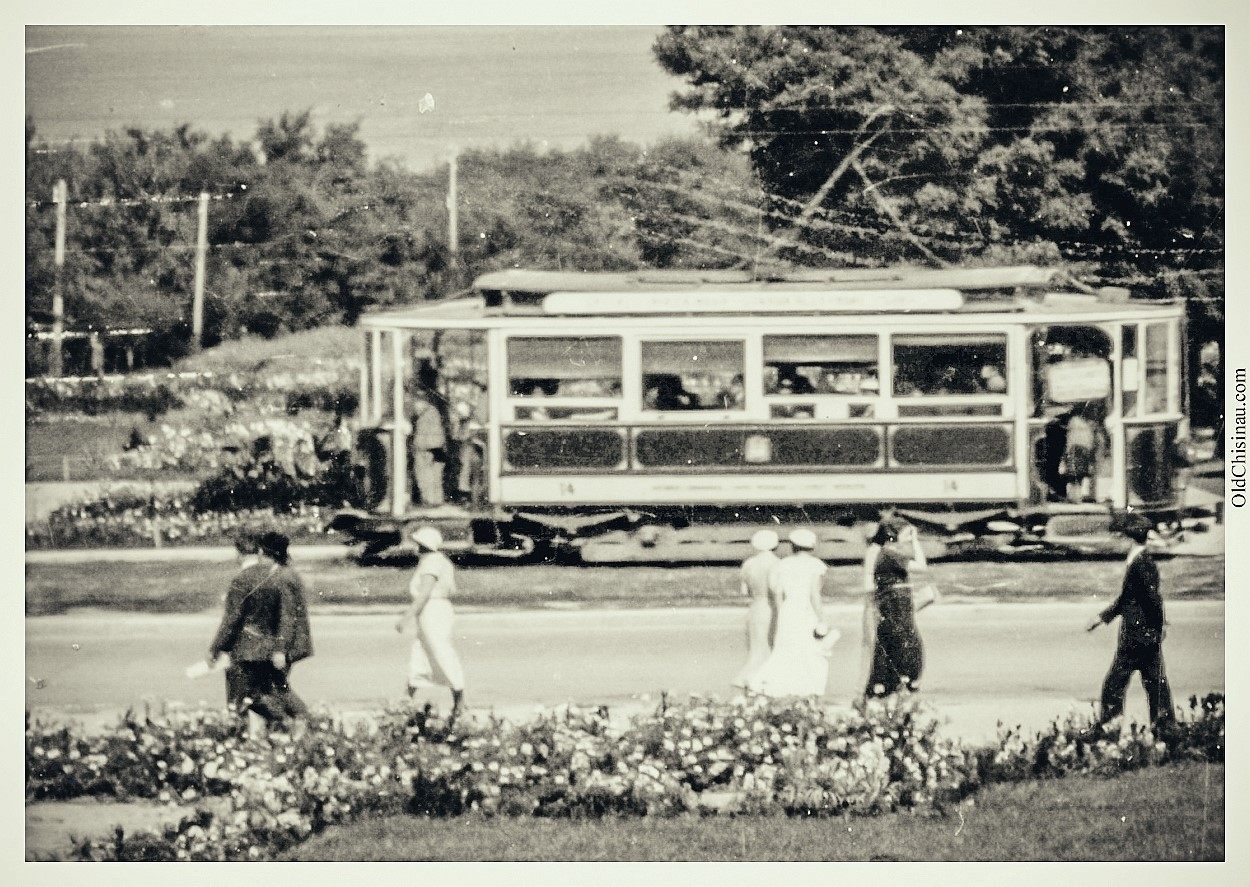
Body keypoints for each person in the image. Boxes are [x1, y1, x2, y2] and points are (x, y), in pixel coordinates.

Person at [207, 531, 313, 738]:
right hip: (273, 647)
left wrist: (216, 648)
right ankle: (279, 726)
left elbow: (234, 619)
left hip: (261, 649)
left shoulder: (261, 578)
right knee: (271, 689)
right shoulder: (276, 574)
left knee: (254, 693)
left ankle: (291, 720)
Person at [1086, 514, 1175, 728]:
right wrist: (1102, 617)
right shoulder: (1138, 560)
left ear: (1129, 539)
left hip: (1137, 636)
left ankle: (1109, 730)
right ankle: (1167, 733)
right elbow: (1130, 598)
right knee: (1156, 685)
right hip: (1144, 634)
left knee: (1114, 686)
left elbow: (1153, 599)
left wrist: (1158, 626)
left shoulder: (1142, 563)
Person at [747, 528, 836, 698]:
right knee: (810, 651)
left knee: (786, 648)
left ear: (793, 546)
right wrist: (822, 618)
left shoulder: (782, 564)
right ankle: (808, 689)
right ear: (812, 547)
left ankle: (774, 686)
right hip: (806, 610)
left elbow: (778, 594)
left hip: (788, 610)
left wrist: (782, 615)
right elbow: (814, 595)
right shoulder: (816, 565)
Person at [396, 526, 466, 723]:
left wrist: (406, 617)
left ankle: (459, 699)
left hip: (433, 611)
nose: (415, 547)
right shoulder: (435, 561)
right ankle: (406, 699)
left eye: (418, 543)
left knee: (440, 651)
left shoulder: (432, 562)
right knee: (421, 652)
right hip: (433, 611)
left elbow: (425, 593)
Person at [864, 518, 928, 697]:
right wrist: (915, 541)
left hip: (897, 616)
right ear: (893, 534)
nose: (910, 537)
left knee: (893, 661)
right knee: (909, 658)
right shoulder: (891, 553)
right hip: (899, 620)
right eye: (907, 533)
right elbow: (922, 567)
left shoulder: (887, 553)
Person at [731, 530, 782, 690]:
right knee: (770, 646)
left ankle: (753, 679)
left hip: (755, 607)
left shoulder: (748, 564)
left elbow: (745, 591)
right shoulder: (778, 563)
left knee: (755, 647)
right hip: (771, 607)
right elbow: (778, 590)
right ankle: (760, 681)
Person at [411, 380, 448, 507]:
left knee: (426, 476)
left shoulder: (427, 414)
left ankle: (430, 500)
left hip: (427, 449)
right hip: (434, 449)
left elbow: (424, 436)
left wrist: (418, 446)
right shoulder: (433, 412)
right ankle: (434, 500)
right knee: (433, 477)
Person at [1063, 405, 1097, 503]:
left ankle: (1076, 496)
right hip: (1078, 450)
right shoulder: (1077, 421)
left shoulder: (1080, 422)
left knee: (1078, 476)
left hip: (1080, 450)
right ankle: (1074, 496)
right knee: (1075, 476)